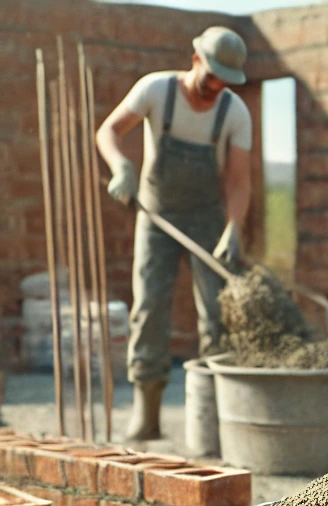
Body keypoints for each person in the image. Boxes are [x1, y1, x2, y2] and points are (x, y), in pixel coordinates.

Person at [96, 27, 252, 440]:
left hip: (206, 220)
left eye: (223, 84)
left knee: (219, 314)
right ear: (196, 59)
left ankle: (217, 420)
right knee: (149, 308)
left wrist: (233, 230)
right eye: (209, 78)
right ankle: (146, 415)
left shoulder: (234, 113)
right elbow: (108, 131)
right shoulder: (156, 91)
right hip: (156, 215)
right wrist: (122, 169)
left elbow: (238, 181)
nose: (214, 89)